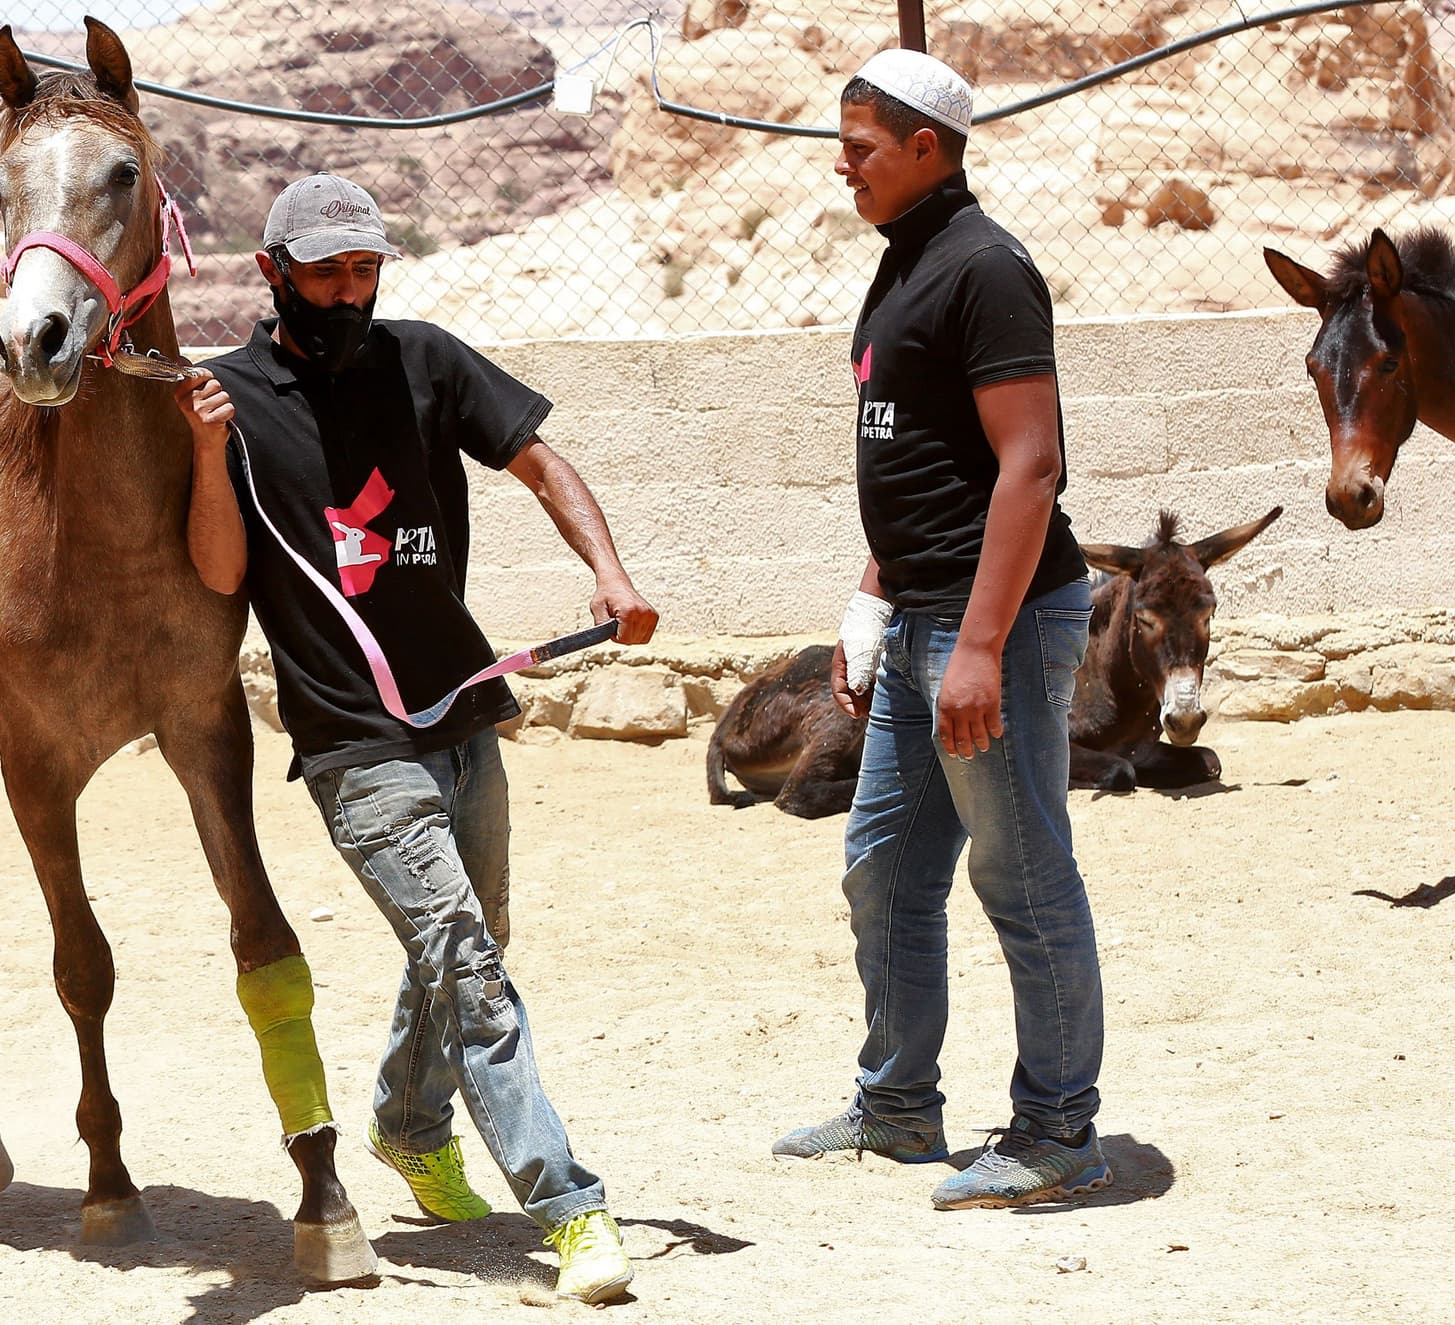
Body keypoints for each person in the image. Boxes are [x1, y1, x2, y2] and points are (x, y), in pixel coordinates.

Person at [175, 173, 657, 1302]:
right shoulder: (226, 401)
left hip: (460, 705)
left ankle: (405, 1120)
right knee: (465, 961)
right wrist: (203, 457)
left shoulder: (427, 359)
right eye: (326, 271)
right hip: (351, 738)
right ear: (271, 270)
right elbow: (221, 574)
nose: (349, 292)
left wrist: (609, 564)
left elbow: (540, 459)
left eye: (365, 270)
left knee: (470, 934)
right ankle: (571, 1204)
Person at [771, 50, 1113, 1210]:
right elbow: (913, 456)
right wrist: (873, 600)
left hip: (993, 622)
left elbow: (1031, 463)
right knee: (884, 868)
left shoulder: (986, 267)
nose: (842, 164)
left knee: (1022, 875)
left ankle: (1060, 1128)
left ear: (928, 147)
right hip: (920, 612)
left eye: (860, 146)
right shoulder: (906, 263)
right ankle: (899, 1104)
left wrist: (975, 645)